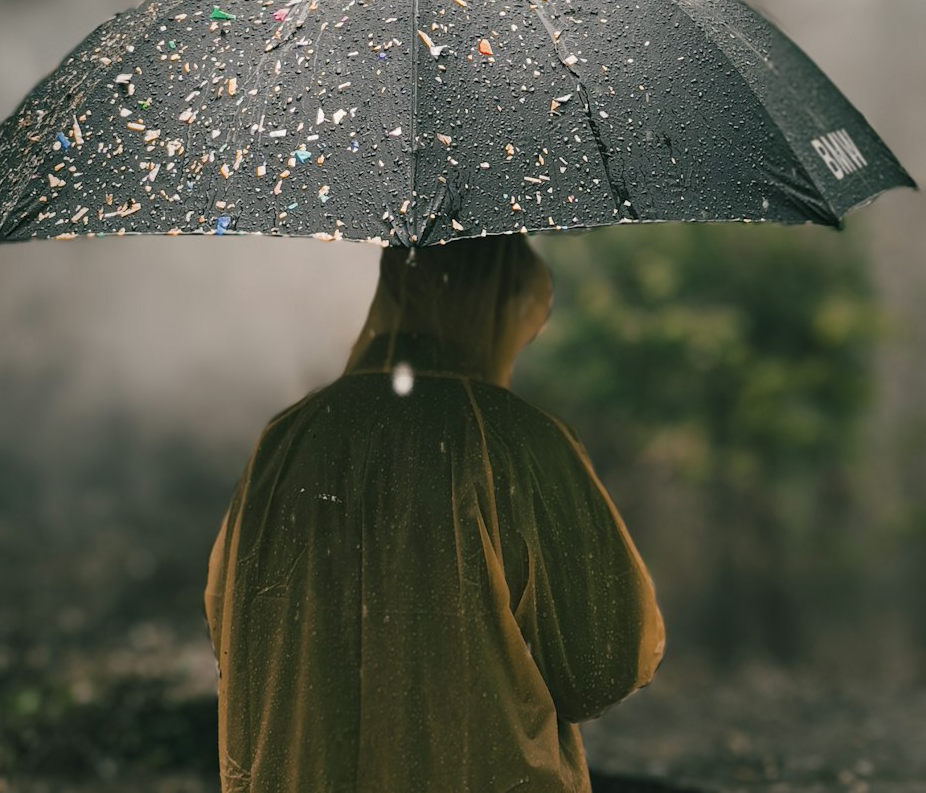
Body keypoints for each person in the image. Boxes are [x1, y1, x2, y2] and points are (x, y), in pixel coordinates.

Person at [205, 235, 664, 792]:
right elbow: (601, 665)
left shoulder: (291, 436)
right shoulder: (516, 441)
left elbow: (234, 626)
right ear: (498, 306)